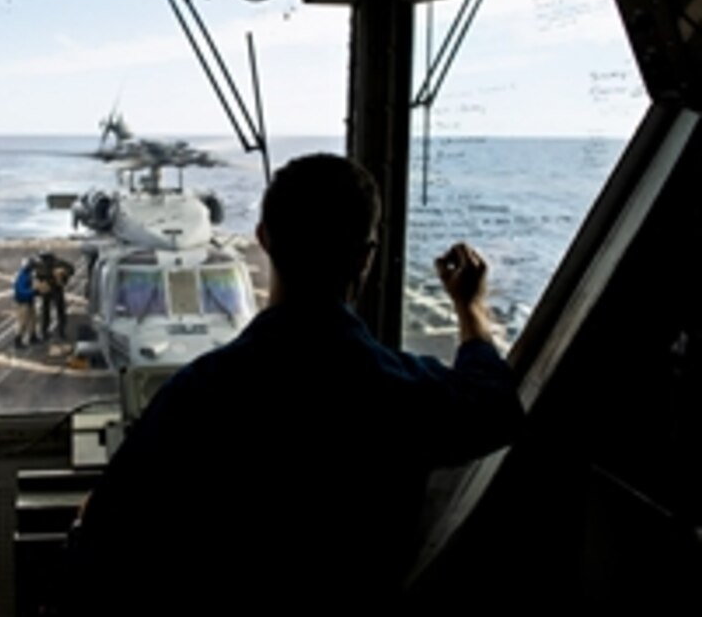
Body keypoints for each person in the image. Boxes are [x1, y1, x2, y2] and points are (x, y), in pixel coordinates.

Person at [66, 154, 524, 615]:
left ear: (263, 239)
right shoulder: (398, 391)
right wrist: (470, 307)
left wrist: (91, 516)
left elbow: (100, 547)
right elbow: (497, 408)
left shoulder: (199, 394)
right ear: (366, 256)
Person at [34, 251, 75, 341]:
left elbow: (71, 269)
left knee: (54, 310)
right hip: (50, 289)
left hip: (55, 289)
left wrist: (63, 274)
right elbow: (37, 275)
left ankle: (56, 331)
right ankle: (51, 331)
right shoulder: (44, 265)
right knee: (49, 311)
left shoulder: (57, 263)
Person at [12, 257, 37, 348]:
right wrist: (33, 291)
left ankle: (32, 336)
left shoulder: (27, 274)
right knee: (22, 322)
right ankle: (18, 340)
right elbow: (21, 291)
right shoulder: (22, 276)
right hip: (23, 302)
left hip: (29, 300)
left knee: (33, 319)